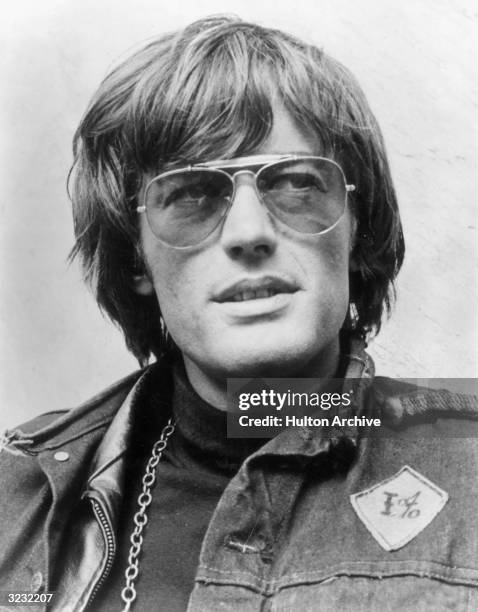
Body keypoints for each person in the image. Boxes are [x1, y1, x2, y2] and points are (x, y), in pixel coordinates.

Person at [1, 15, 477, 612]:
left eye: (297, 185)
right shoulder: (18, 493)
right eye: (191, 194)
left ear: (356, 231)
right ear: (137, 260)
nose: (249, 233)